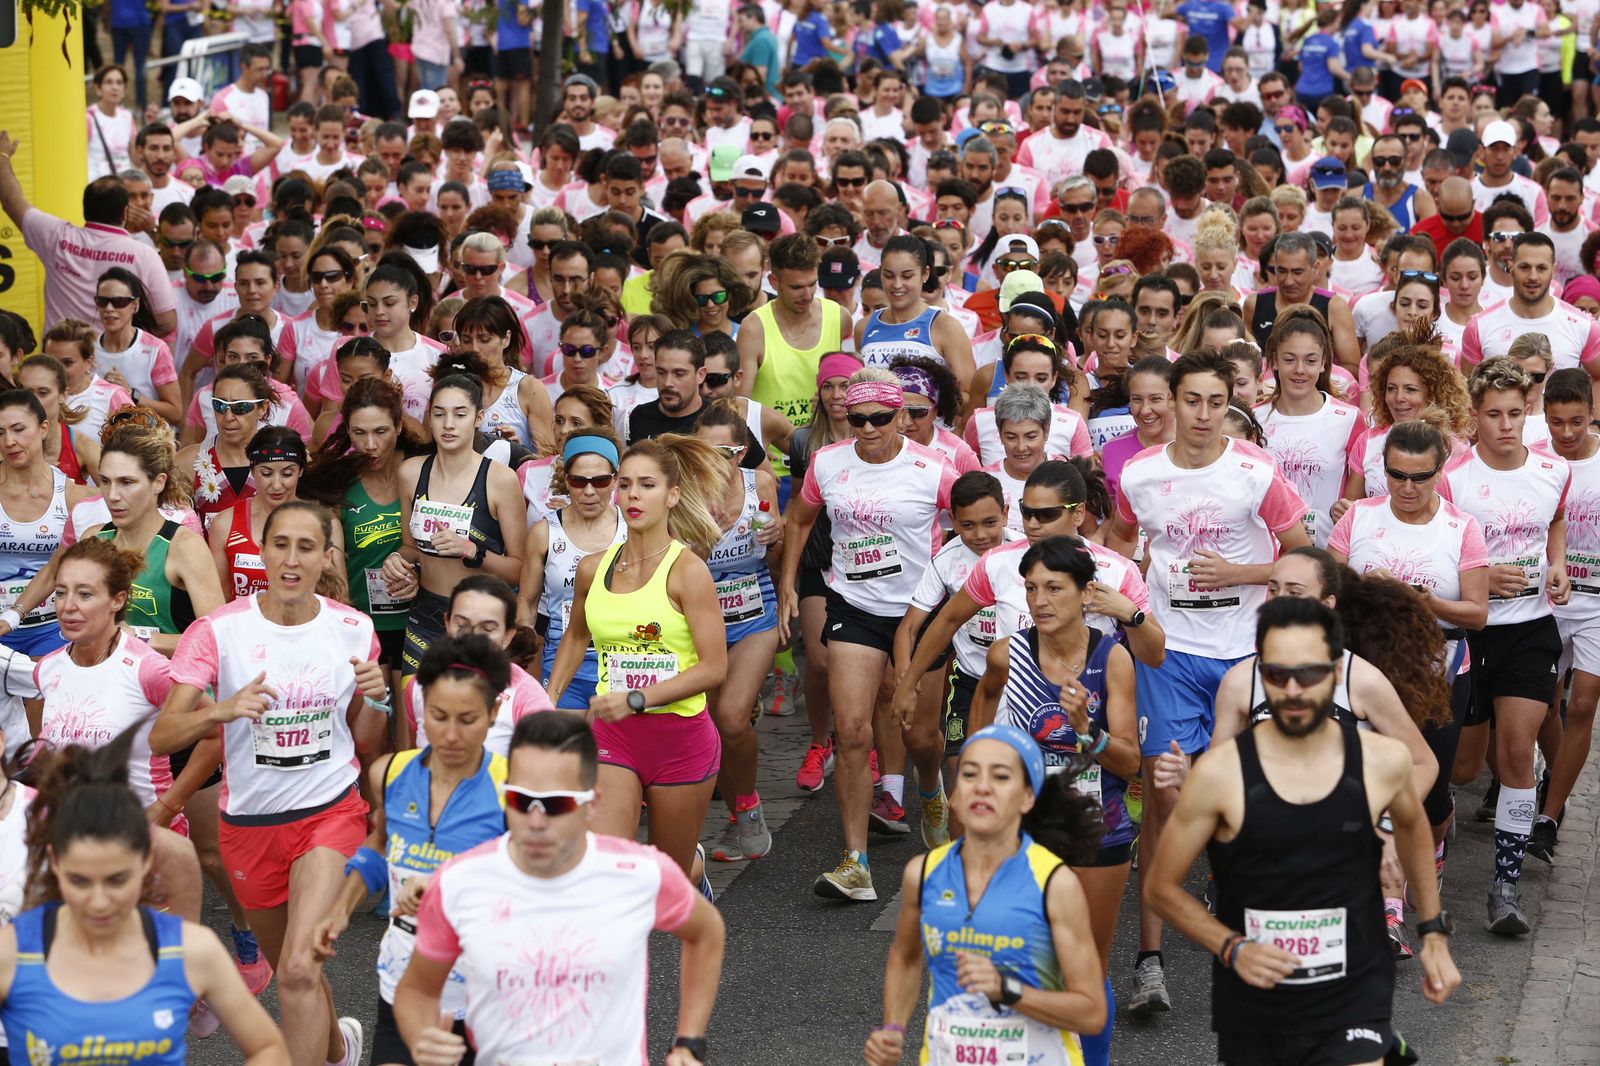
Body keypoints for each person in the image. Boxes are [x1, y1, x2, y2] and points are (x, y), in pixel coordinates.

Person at [1148, 596, 1460, 1065]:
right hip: (1256, 997)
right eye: (1276, 675)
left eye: (1309, 674)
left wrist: (1433, 932)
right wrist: (1229, 947)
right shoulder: (1220, 774)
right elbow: (1160, 887)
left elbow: (1415, 829)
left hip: (1353, 985)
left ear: (1337, 670)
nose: (1292, 690)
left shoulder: (1381, 761)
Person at [1104, 349, 1310, 1014]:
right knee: (1164, 798)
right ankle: (1150, 961)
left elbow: (1302, 552)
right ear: (1168, 401)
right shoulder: (1139, 473)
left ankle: (1260, 933)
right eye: (1189, 400)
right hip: (1169, 656)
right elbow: (1121, 543)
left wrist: (1242, 576)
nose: (1201, 414)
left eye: (1215, 402)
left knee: (1254, 793)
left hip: (1244, 657)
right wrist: (1122, 611)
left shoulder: (1255, 471)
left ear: (1229, 404)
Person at [152, 501, 390, 1066]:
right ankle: (341, 1049)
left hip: (329, 813)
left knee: (301, 968)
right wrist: (223, 710)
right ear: (262, 549)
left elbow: (365, 739)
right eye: (280, 544)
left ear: (326, 556)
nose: (291, 559)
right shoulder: (219, 631)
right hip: (250, 826)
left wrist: (377, 697)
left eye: (306, 547)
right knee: (294, 973)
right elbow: (163, 735)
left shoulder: (353, 629)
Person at [394, 711, 723, 1066]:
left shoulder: (639, 873)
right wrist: (420, 1040)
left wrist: (689, 1043)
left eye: (557, 805)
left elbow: (706, 932)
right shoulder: (460, 882)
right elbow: (416, 990)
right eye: (522, 801)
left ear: (591, 804)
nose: (536, 822)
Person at [0, 724, 289, 1066]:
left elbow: (268, 1048)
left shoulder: (190, 950)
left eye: (117, 880)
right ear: (54, 865)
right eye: (79, 881)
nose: (99, 901)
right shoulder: (13, 953)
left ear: (146, 865)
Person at [779, 368, 958, 899]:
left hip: (918, 613)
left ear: (903, 416)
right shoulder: (827, 463)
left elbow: (976, 523)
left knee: (921, 736)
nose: (870, 428)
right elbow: (801, 518)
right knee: (853, 730)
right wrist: (789, 582)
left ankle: (930, 788)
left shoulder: (933, 468)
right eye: (858, 419)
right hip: (852, 605)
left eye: (881, 418)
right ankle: (855, 862)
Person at [966, 537, 1140, 1066]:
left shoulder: (1112, 661)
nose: (1040, 601)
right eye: (1031, 589)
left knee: (1086, 966)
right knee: (1025, 960)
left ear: (1087, 593)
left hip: (1099, 829)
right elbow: (981, 720)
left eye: (1054, 589)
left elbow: (1131, 762)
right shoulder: (1007, 654)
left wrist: (1088, 729)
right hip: (1026, 831)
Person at [310, 635, 510, 1066]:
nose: (451, 735)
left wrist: (446, 892)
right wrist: (340, 910)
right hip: (404, 978)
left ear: (493, 714)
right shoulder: (391, 773)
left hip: (486, 992)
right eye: (438, 716)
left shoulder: (515, 791)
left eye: (468, 719)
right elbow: (380, 844)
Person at [864, 721, 1107, 1066]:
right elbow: (905, 958)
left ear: (1027, 797)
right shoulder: (923, 874)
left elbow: (1091, 1011)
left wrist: (1007, 990)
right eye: (970, 775)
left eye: (1001, 777)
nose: (982, 787)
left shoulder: (1054, 884)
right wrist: (892, 1029)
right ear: (956, 796)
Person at [544, 435, 729, 887]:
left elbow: (713, 667)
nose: (632, 495)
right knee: (606, 870)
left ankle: (694, 872)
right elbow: (576, 637)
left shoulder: (688, 571)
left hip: (680, 740)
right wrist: (544, 700)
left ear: (673, 495)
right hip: (614, 737)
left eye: (646, 485)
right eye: (624, 485)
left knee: (668, 880)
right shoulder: (593, 568)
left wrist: (639, 698)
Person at [1443, 357, 1571, 934]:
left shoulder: (1551, 470)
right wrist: (1481, 576)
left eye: (1515, 414)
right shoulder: (1455, 478)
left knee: (1518, 751)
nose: (1504, 425)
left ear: (1528, 412)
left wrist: (1559, 564)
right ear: (1474, 416)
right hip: (1471, 633)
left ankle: (1506, 886)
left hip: (1531, 630)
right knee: (1465, 769)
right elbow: (1437, 550)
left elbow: (1555, 520)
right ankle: (1432, 872)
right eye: (1492, 414)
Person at [382, 364, 527, 678]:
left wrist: (472, 551)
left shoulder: (500, 479)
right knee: (415, 712)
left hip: (481, 618)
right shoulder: (410, 472)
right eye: (439, 414)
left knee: (476, 716)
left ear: (478, 418)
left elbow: (520, 570)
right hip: (426, 613)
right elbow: (410, 548)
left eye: (460, 414)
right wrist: (396, 560)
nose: (448, 424)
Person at [299, 377, 427, 691]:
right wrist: (348, 629)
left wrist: (419, 573)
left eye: (381, 432)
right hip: (364, 625)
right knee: (375, 729)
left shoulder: (424, 472)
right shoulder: (337, 483)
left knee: (410, 728)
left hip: (421, 621)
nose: (370, 445)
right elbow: (335, 564)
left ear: (398, 426)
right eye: (359, 433)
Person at [696, 402, 782, 862]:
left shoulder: (761, 483)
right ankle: (736, 815)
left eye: (726, 452)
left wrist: (777, 537)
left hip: (754, 613)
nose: (715, 462)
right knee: (712, 727)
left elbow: (776, 547)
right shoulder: (677, 491)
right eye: (705, 451)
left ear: (743, 451)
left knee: (731, 717)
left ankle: (748, 810)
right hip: (699, 624)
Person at [0, 136, 177, 335]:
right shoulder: (144, 255)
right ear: (125, 212)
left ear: (85, 208)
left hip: (59, 360)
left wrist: (3, 156)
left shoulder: (57, 237)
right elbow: (166, 322)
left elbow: (10, 200)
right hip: (115, 362)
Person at [1531, 369, 1600, 862]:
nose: (1567, 433)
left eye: (1577, 421)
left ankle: (1549, 818)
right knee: (1542, 704)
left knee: (1582, 706)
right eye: (1557, 423)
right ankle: (1559, 776)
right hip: (1548, 597)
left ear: (1593, 413)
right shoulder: (1534, 459)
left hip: (1597, 601)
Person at [517, 433, 626, 710]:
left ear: (615, 479)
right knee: (565, 747)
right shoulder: (544, 532)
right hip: (562, 659)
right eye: (579, 481)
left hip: (622, 659)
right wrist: (521, 656)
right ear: (566, 481)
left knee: (611, 752)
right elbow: (528, 601)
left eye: (600, 481)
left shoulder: (633, 528)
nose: (589, 491)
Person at [1254, 307, 1364, 548]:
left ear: (1324, 363)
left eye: (1310, 360)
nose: (1300, 370)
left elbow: (1358, 497)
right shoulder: (1254, 419)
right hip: (1267, 558)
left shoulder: (1349, 419)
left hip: (1326, 555)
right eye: (1289, 359)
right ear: (1273, 361)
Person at [0, 389, 94, 658]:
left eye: (18, 429)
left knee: (41, 698)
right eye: (0, 432)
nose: (9, 441)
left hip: (53, 629)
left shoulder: (74, 495)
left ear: (44, 428)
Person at [1460, 233, 1600, 382]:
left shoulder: (1583, 326)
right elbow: (1467, 388)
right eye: (1525, 267)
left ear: (1553, 270)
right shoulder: (1480, 326)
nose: (1533, 276)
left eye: (1541, 268)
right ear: (1510, 266)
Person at [208, 427, 312, 602]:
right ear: (252, 470)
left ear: (300, 471)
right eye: (266, 473)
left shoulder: (324, 524)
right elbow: (218, 599)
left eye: (287, 474)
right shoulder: (224, 523)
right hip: (242, 628)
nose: (277, 485)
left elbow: (335, 596)